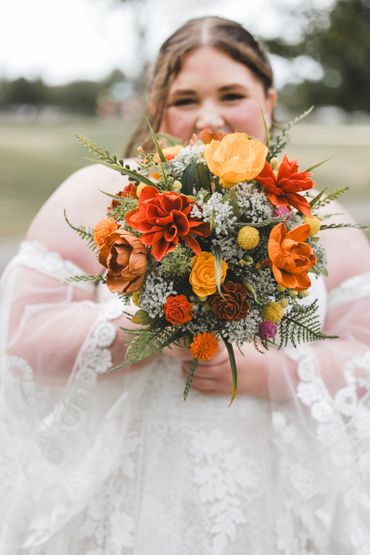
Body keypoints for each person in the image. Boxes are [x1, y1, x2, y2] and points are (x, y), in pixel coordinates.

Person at [1, 15, 370, 555]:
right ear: (157, 109)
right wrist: (145, 327)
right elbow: (23, 340)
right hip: (135, 490)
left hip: (270, 495)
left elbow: (363, 353)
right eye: (185, 99)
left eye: (231, 93)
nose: (210, 117)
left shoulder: (316, 217)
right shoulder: (93, 193)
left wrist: (266, 369)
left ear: (269, 101)